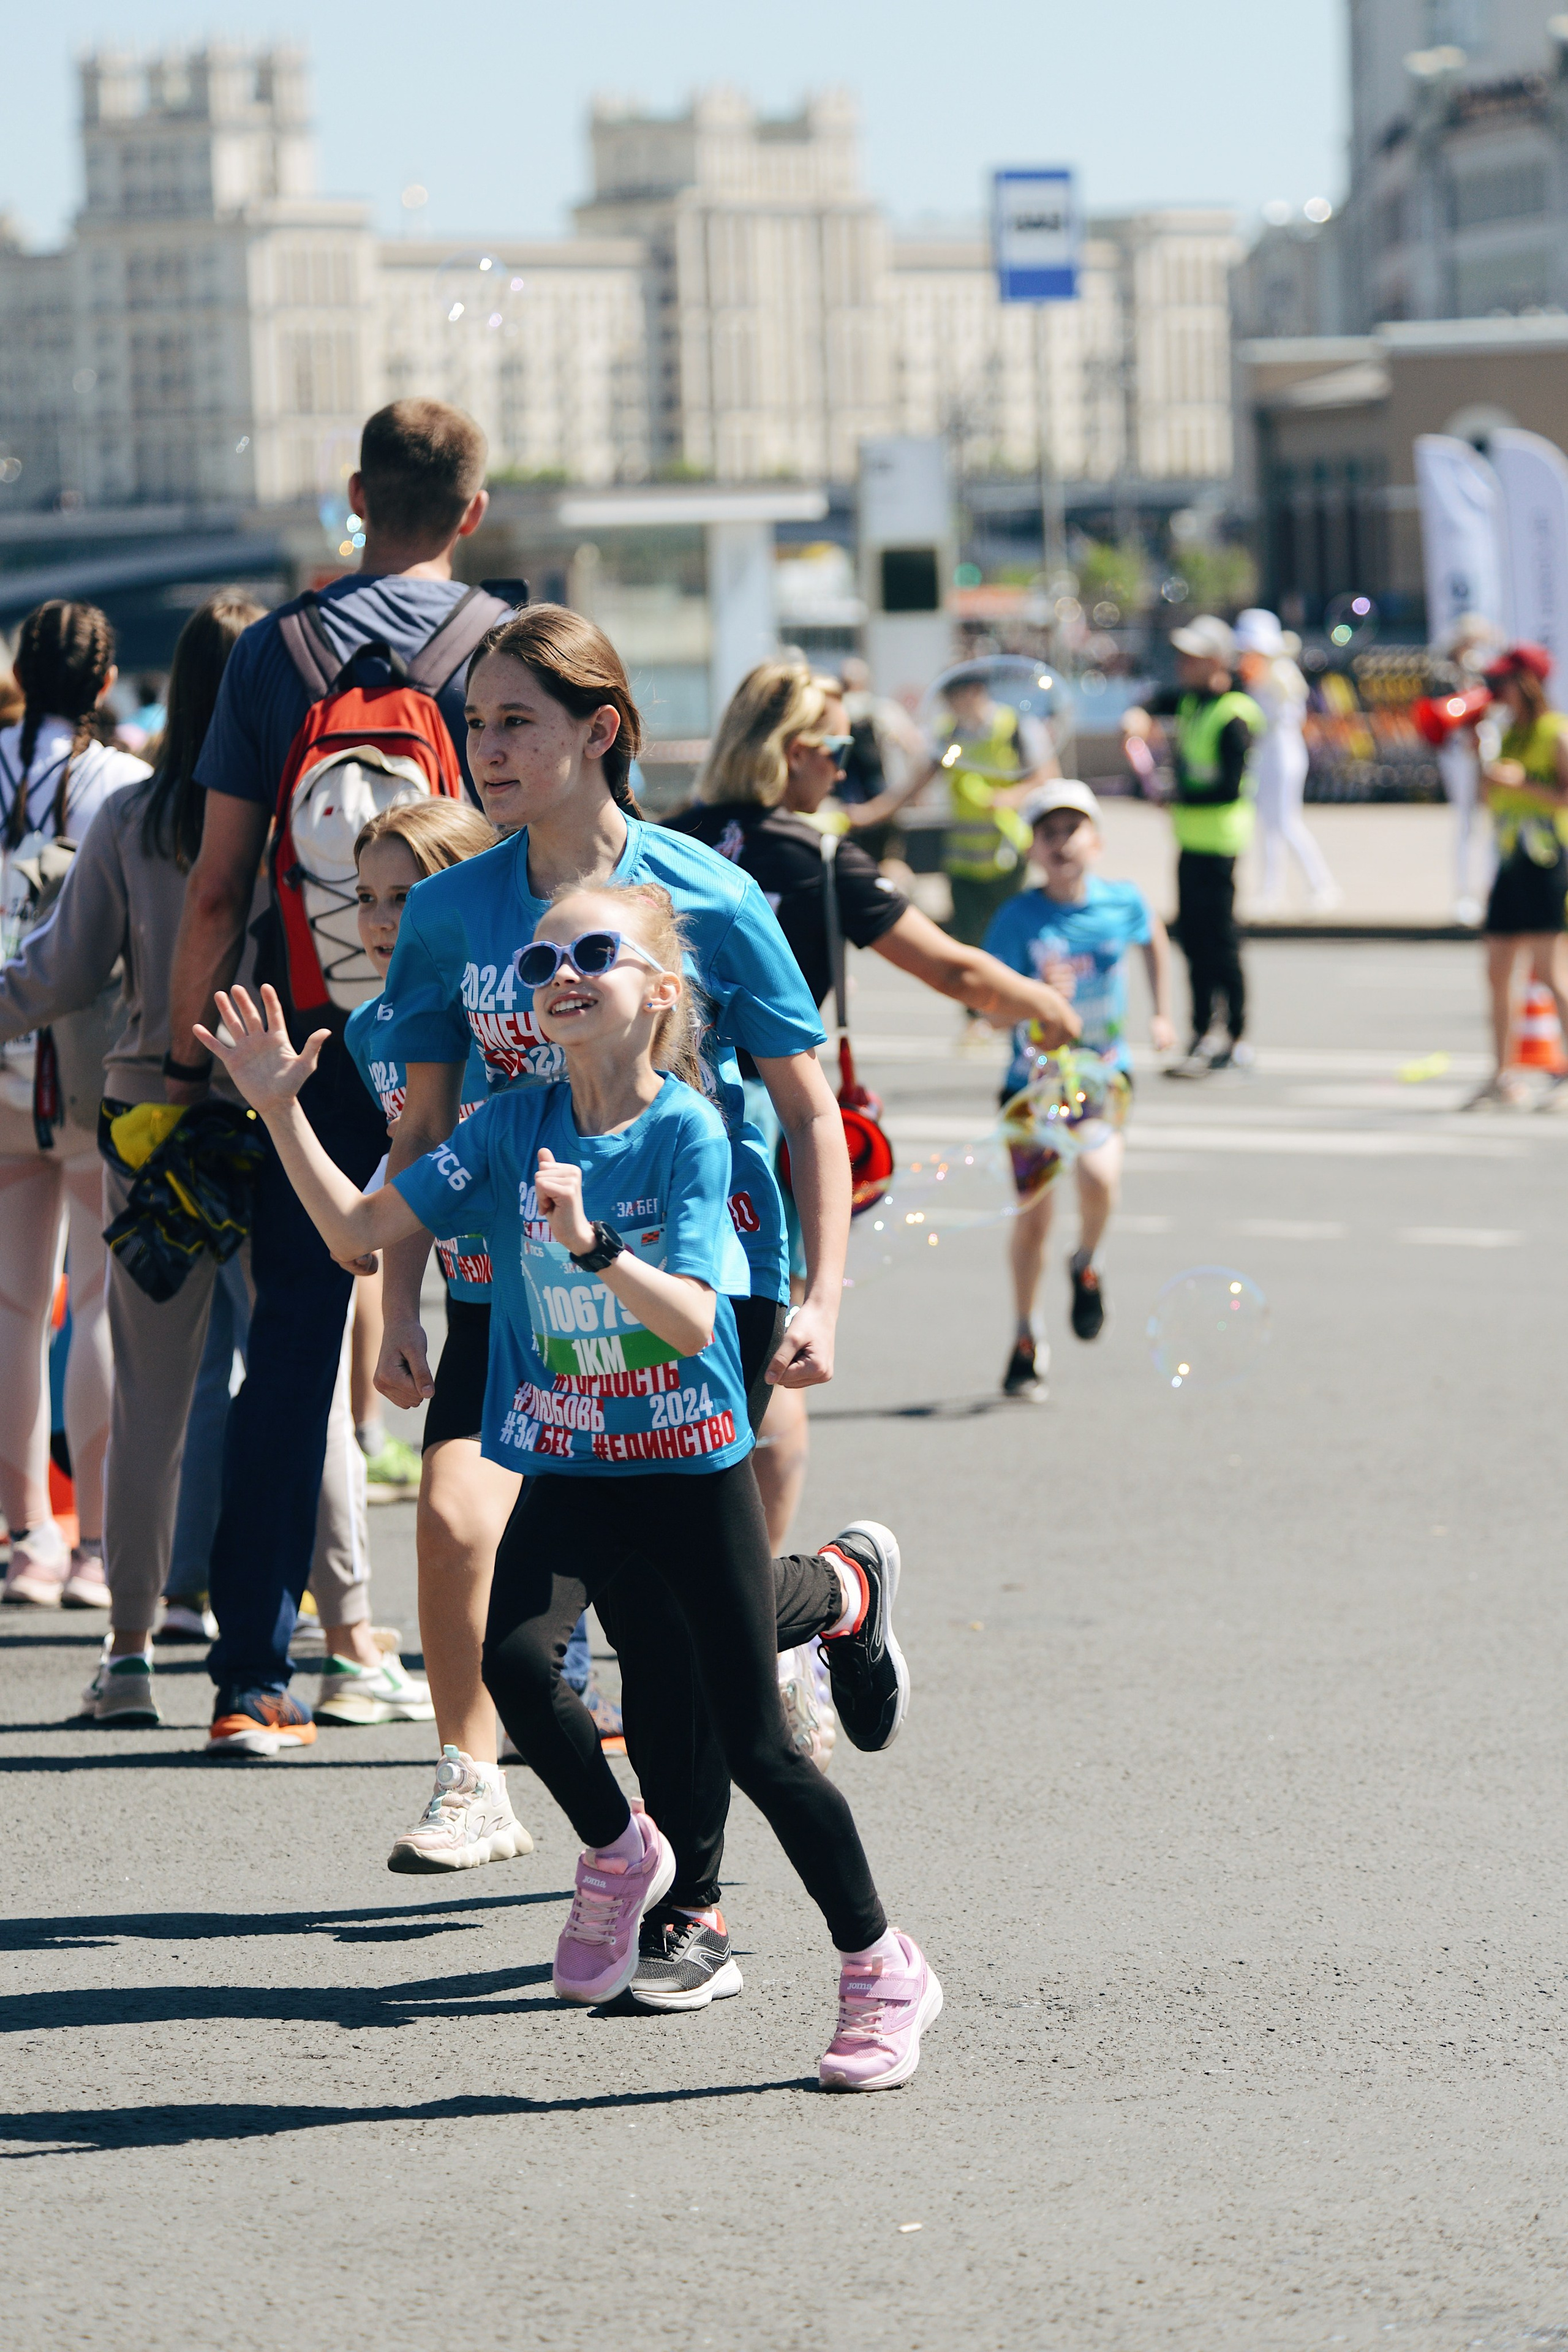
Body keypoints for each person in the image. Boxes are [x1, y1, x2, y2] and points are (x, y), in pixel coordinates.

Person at [201, 883, 943, 2090]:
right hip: (570, 1452)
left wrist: (596, 1244)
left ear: (658, 993)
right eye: (543, 953)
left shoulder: (688, 1131)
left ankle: (880, 1966)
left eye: (595, 952)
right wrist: (281, 1112)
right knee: (510, 1661)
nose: (560, 968)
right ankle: (617, 1852)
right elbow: (356, 1231)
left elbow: (694, 1315)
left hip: (685, 1456)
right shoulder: (503, 1125)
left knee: (753, 1743)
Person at [376, 605, 908, 2013]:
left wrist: (819, 1296)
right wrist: (396, 1305)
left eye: (513, 723)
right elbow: (423, 1121)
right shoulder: (446, 913)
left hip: (685, 1278)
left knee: (667, 1620)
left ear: (600, 730)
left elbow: (807, 1108)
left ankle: (692, 1904)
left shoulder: (706, 896)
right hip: (512, 1286)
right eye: (473, 723)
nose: (483, 749)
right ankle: (837, 1597)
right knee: (551, 1582)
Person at [0, 591, 417, 1725]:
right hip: (295, 1100)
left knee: (151, 1391)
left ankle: (129, 1653)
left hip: (153, 1118)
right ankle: (349, 1645)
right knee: (306, 1383)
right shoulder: (313, 827)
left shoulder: (138, 816)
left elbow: (58, 974)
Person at [161, 399, 507, 1755]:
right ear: (471, 512)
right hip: (479, 1043)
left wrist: (200, 1068)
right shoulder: (502, 644)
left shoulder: (273, 654)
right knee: (501, 1342)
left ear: (356, 493)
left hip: (304, 1043)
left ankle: (252, 1675)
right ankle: (547, 1662)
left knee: (291, 1351)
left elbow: (215, 886)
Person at [669, 660, 1079, 1544]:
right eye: (837, 745)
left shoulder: (668, 839)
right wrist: (1048, 1007)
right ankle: (756, 1608)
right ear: (789, 751)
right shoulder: (815, 854)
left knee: (651, 1341)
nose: (845, 767)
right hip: (750, 1127)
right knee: (766, 1362)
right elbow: (953, 969)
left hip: (637, 1115)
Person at [336, 794, 533, 1853]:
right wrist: (396, 1303)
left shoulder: (535, 999)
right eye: (364, 897)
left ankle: (823, 1604)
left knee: (667, 1581)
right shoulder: (372, 1031)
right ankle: (472, 1782)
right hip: (480, 1310)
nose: (379, 921)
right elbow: (407, 1167)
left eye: (405, 897)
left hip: (596, 1312)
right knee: (452, 1524)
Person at [0, 601, 145, 1610]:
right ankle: (96, 1546)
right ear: (103, 682)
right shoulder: (123, 783)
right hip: (94, 1064)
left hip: (2, 1054)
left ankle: (25, 1541)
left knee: (12, 1306)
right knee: (94, 1301)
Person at [981, 780, 1174, 1401]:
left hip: (1101, 1077)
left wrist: (1162, 1013)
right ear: (1033, 849)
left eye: (1073, 830)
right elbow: (989, 1016)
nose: (1061, 842)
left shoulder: (1122, 902)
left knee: (1100, 1181)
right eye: (1048, 833)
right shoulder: (1017, 919)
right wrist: (1034, 994)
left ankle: (1086, 1259)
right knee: (1033, 1224)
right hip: (1031, 1087)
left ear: (1097, 840)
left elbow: (1153, 942)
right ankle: (1024, 1333)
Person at [1120, 614, 1264, 1079]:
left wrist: (1174, 794)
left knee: (1221, 942)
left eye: (1193, 657)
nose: (1182, 665)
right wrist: (1138, 715)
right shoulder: (1192, 701)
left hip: (1219, 841)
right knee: (1194, 941)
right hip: (1189, 839)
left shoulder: (1235, 714)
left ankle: (1237, 1034)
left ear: (1217, 661)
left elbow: (1227, 785)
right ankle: (1202, 1031)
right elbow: (1153, 701)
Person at [845, 662, 1058, 951]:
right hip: (963, 864)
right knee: (972, 947)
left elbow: (1048, 777)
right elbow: (915, 784)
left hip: (1008, 859)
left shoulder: (1015, 728)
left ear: (974, 692)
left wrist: (1009, 797)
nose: (949, 705)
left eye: (953, 696)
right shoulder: (948, 735)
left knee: (1013, 944)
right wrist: (872, 813)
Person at [1468, 643, 1568, 1110]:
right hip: (1509, 859)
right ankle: (1502, 1074)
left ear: (1527, 684)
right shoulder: (1505, 733)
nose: (1496, 690)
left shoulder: (1555, 732)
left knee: (1551, 974)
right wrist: (1481, 765)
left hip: (1546, 858)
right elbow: (1488, 800)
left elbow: (1564, 798)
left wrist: (1520, 782)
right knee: (1496, 970)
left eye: (1504, 681)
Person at [1233, 608, 1339, 916]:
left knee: (1286, 823)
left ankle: (1322, 885)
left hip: (1282, 751)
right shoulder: (1258, 673)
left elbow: (1284, 717)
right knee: (1268, 825)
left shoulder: (1280, 674)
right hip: (1264, 753)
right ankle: (1271, 891)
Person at [1436, 613, 1504, 929]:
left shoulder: (1485, 673)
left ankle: (1493, 890)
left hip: (1483, 752)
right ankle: (1464, 893)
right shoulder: (1446, 676)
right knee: (1465, 822)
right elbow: (1441, 719)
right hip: (1459, 756)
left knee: (1491, 823)